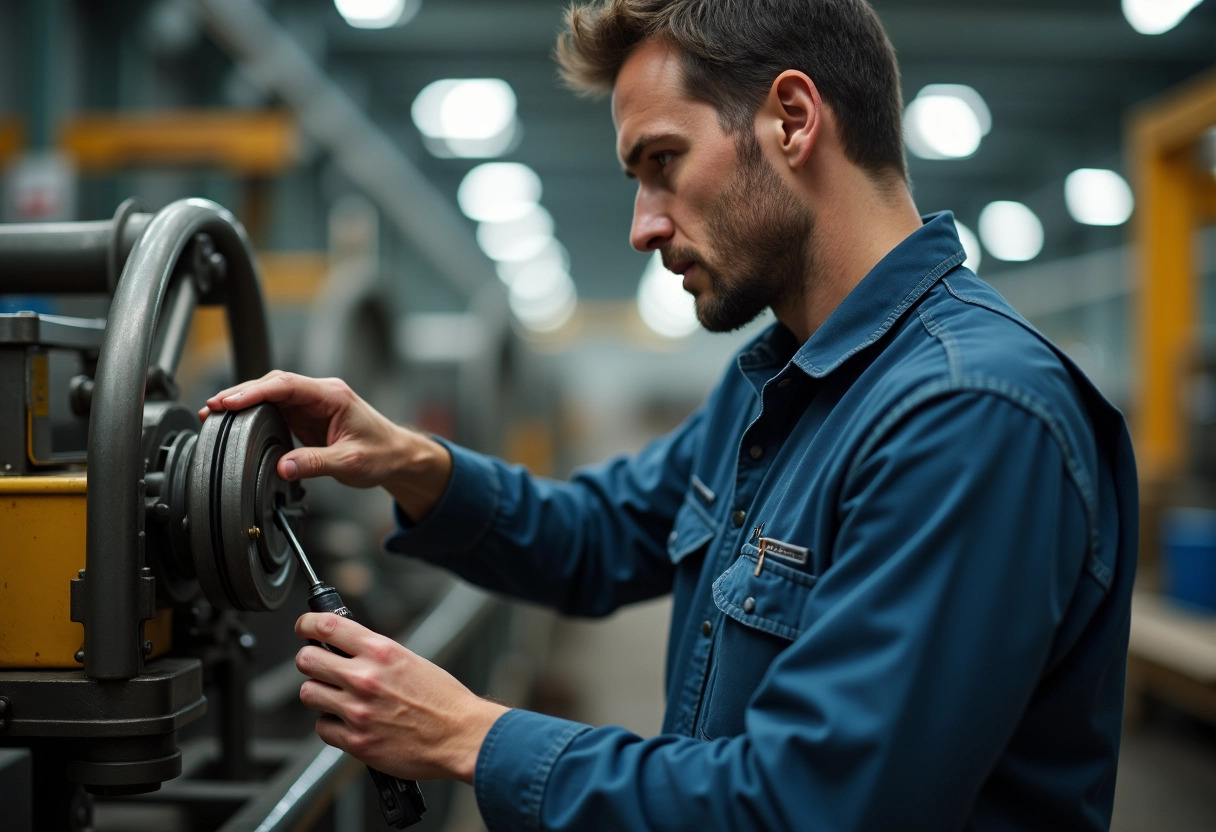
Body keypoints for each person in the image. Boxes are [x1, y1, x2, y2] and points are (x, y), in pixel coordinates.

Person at [201, 1, 1138, 828]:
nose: (645, 224)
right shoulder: (777, 383)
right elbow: (601, 534)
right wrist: (406, 460)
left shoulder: (967, 415)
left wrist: (470, 738)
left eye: (664, 162)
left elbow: (813, 806)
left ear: (792, 119)